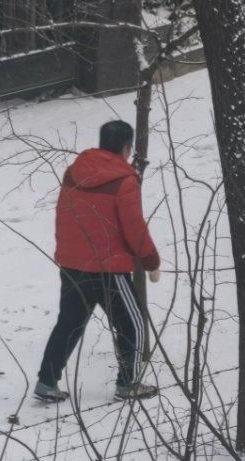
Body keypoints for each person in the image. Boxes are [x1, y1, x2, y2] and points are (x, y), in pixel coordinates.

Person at [35, 119, 161, 403]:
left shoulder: (74, 172)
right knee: (134, 324)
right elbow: (134, 226)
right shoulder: (124, 180)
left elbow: (63, 216)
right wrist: (151, 260)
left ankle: (46, 382)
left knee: (68, 324)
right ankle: (128, 384)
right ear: (127, 148)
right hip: (109, 269)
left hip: (72, 266)